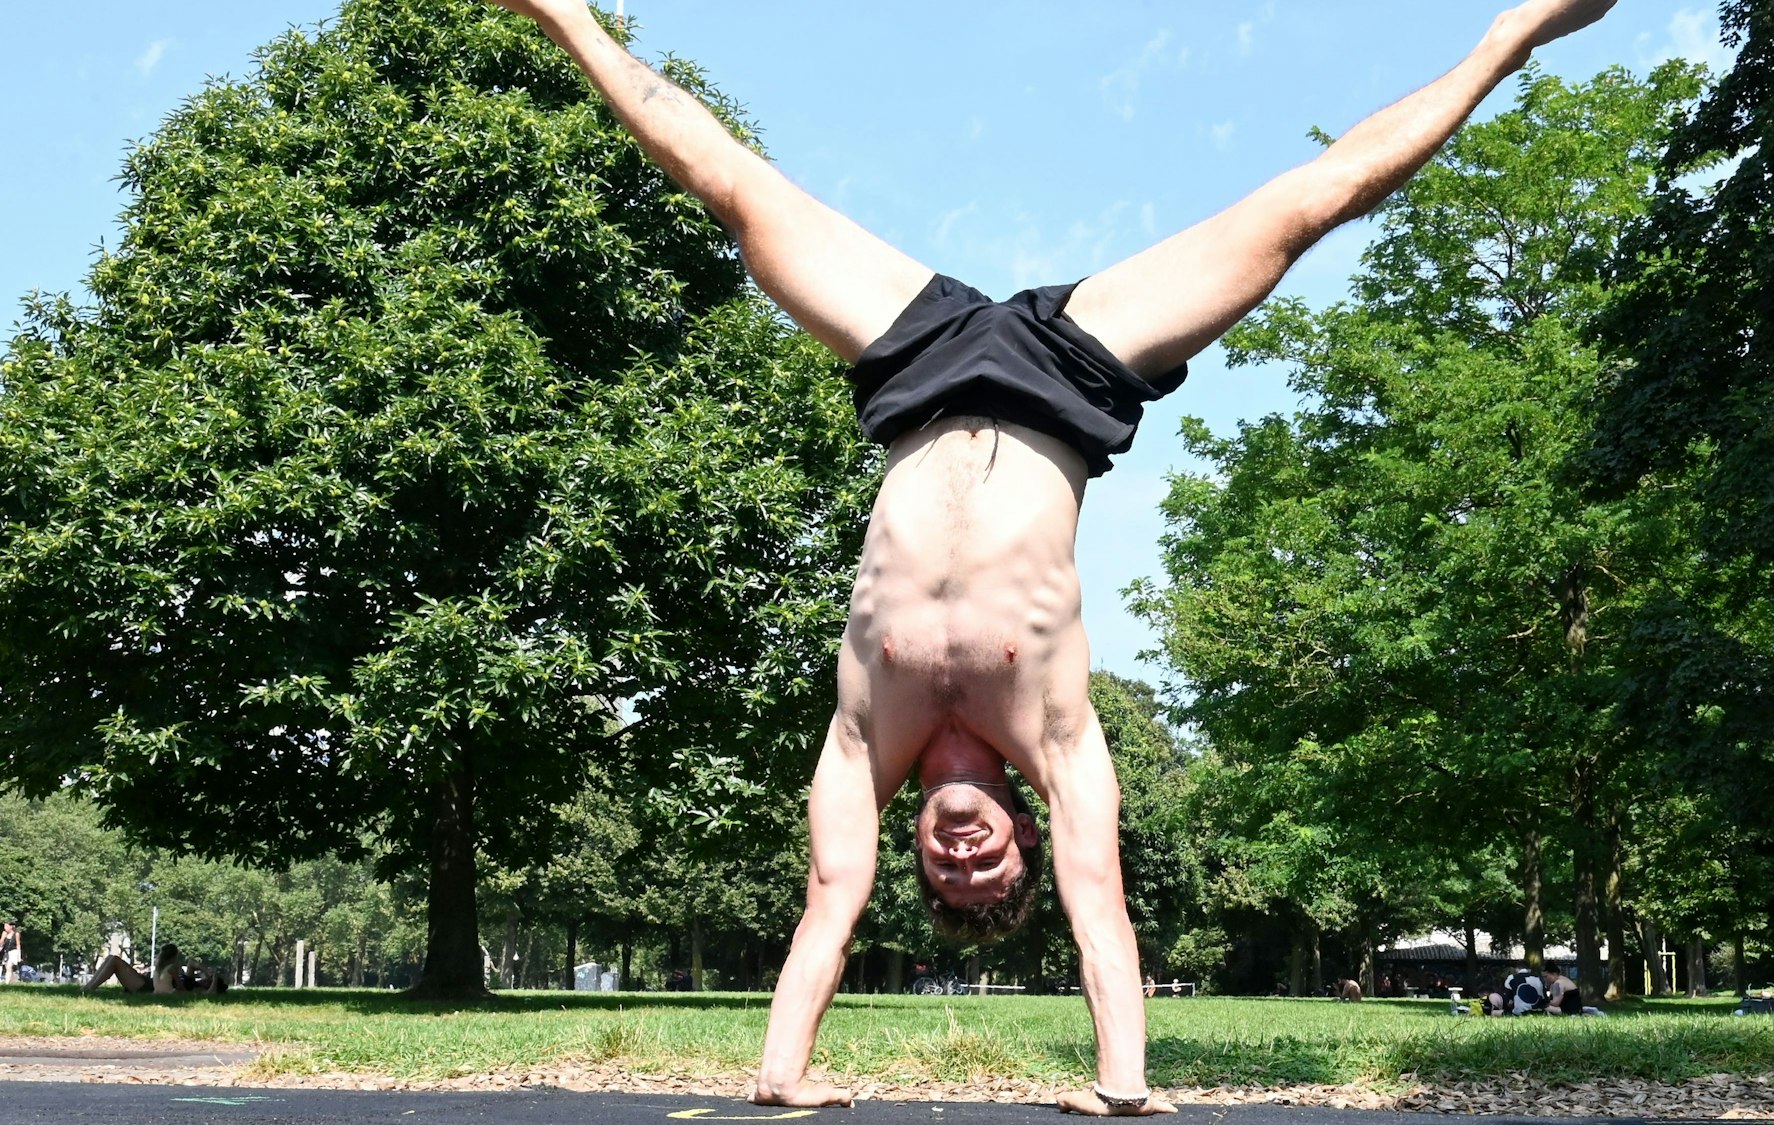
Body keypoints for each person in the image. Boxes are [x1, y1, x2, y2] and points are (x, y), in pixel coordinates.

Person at [488, 0, 1617, 1112]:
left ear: (919, 853)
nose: (967, 862)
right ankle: (1512, 33)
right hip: (1073, 374)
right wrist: (1121, 1087)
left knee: (731, 190)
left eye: (947, 875)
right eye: (991, 871)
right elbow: (1102, 911)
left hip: (912, 362)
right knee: (1299, 212)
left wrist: (780, 1079)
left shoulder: (859, 741)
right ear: (1024, 833)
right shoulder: (1059, 740)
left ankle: (560, 14)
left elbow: (829, 898)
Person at [81, 943, 194, 995]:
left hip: (144, 986)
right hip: (145, 982)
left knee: (115, 960)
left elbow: (182, 986)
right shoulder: (169, 968)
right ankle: (88, 987)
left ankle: (90, 988)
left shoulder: (173, 970)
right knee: (112, 958)